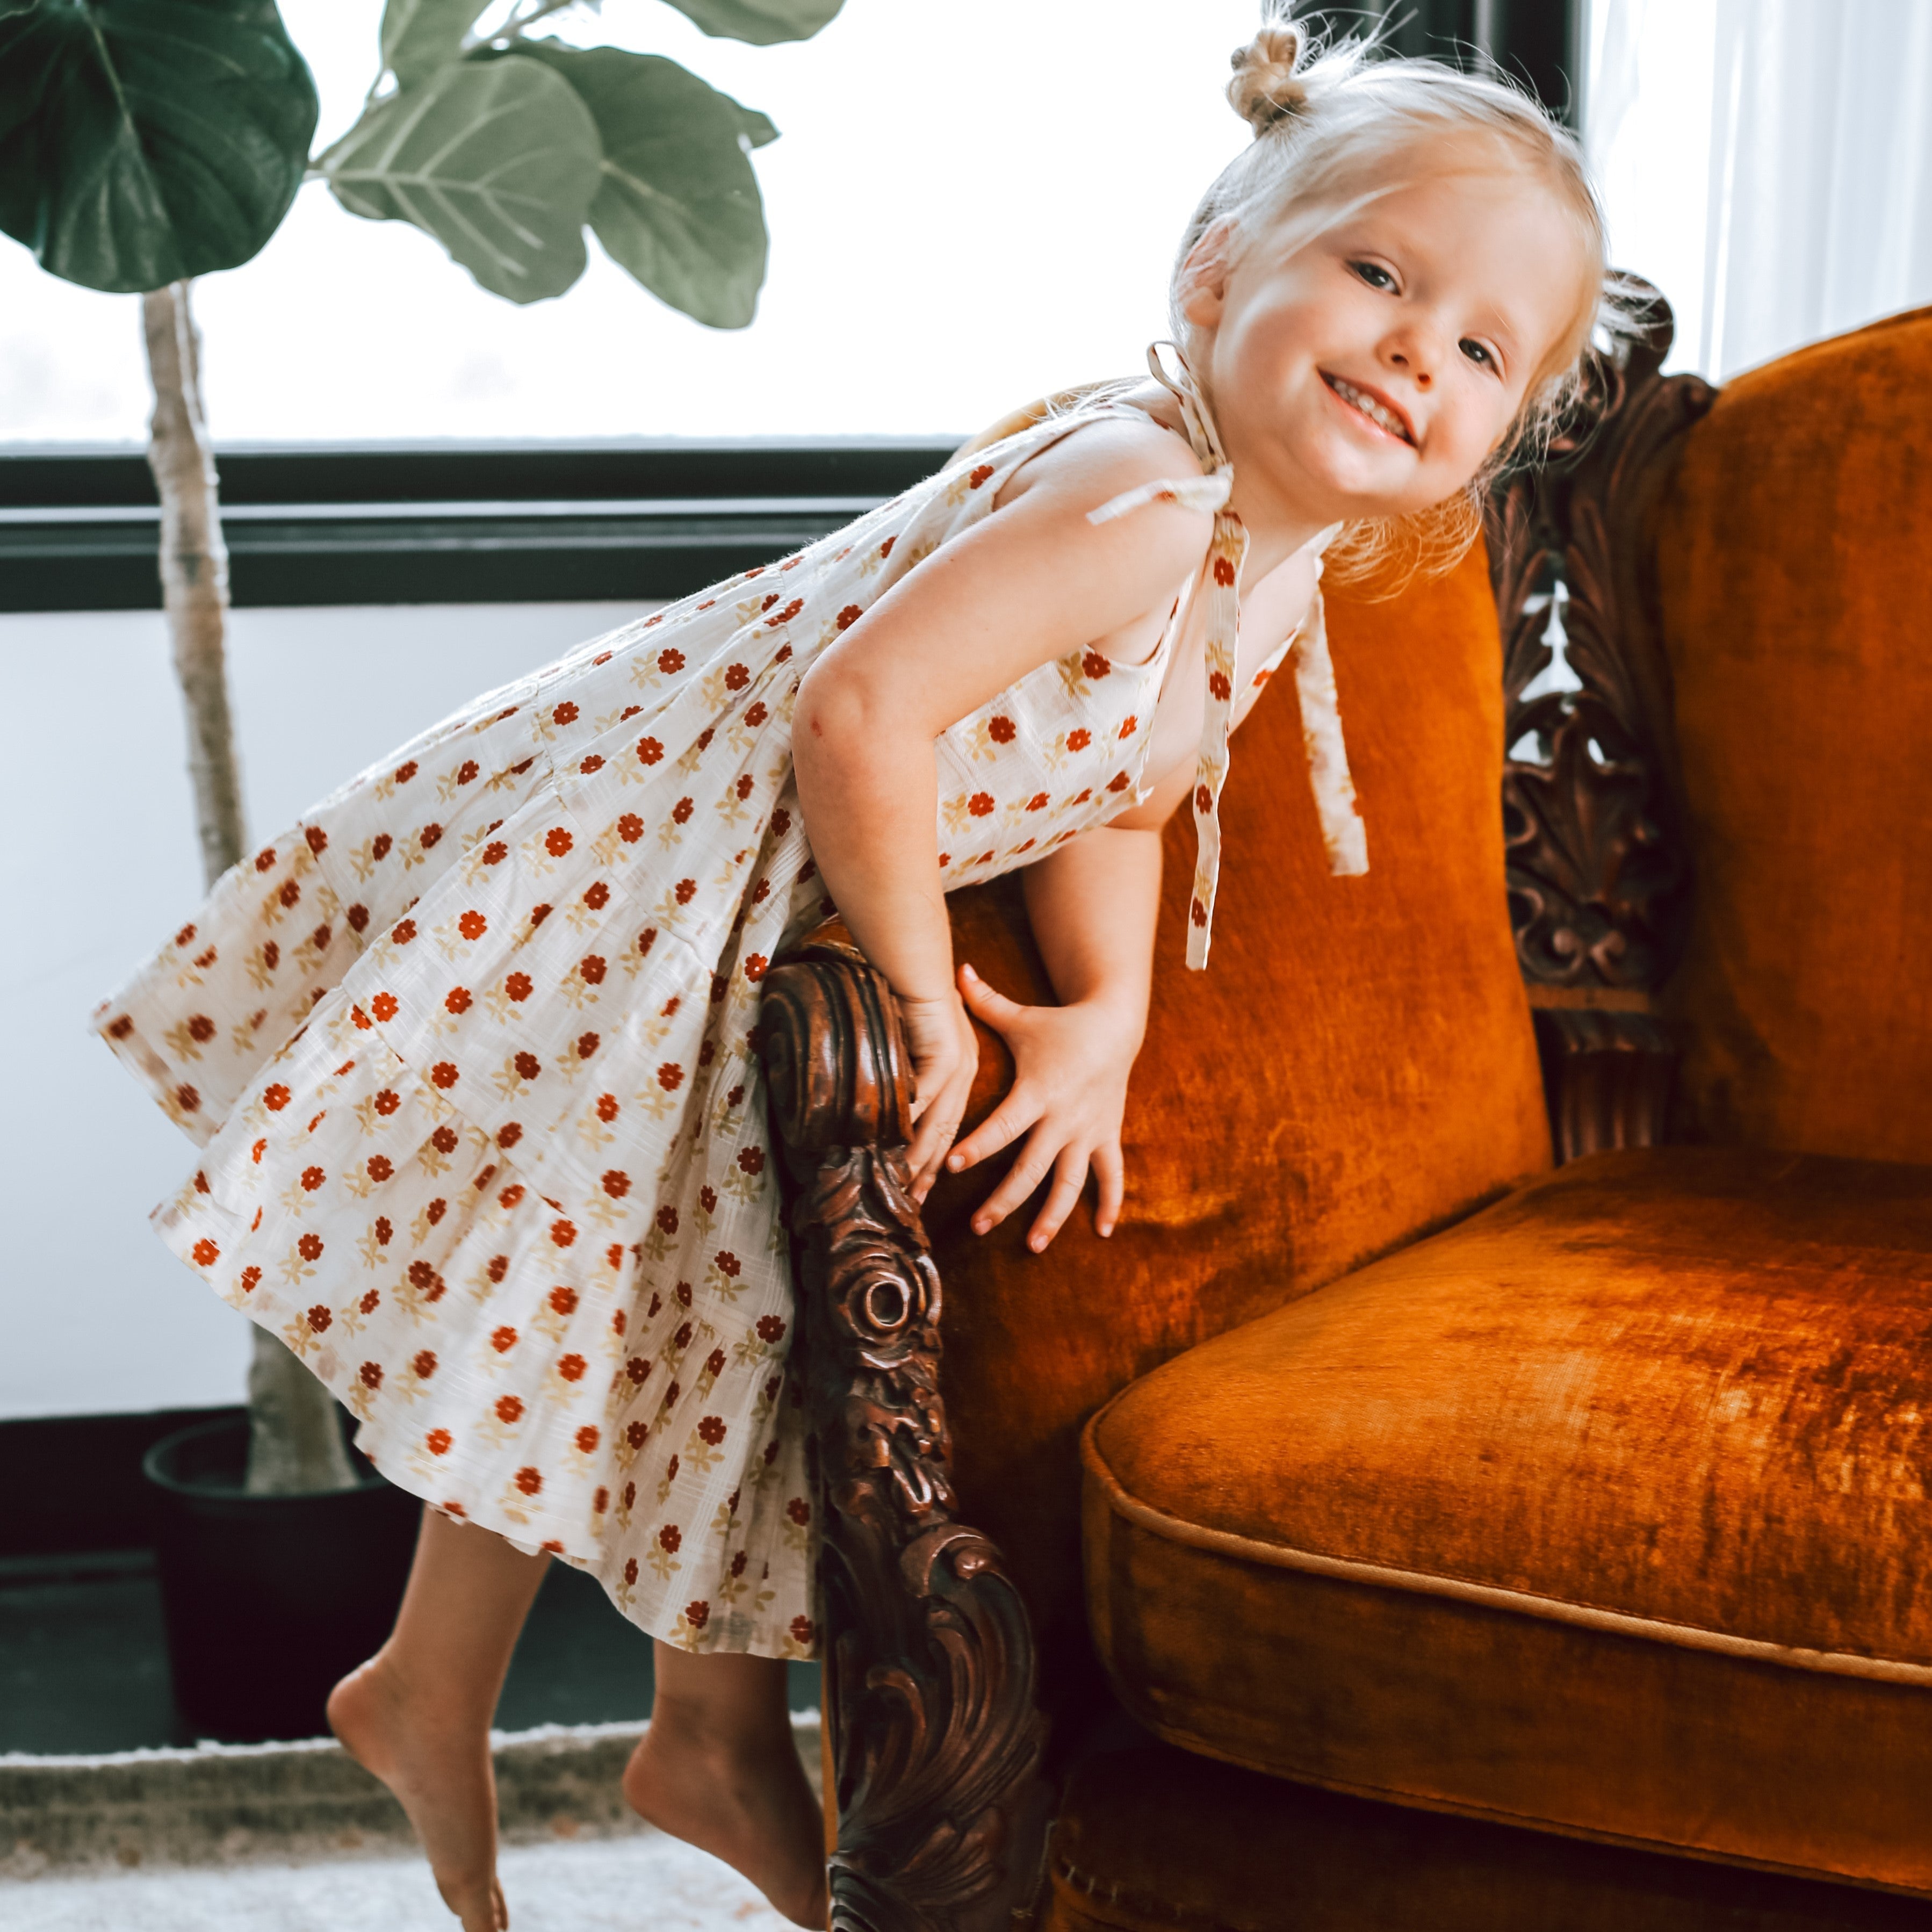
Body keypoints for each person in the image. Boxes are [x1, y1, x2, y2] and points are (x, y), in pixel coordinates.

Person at [94, 12, 1624, 1929]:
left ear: (1504, 429)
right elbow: (859, 710)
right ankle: (632, 1719)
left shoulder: (1257, 554)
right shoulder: (1145, 496)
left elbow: (1118, 786)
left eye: (1479, 349)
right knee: (595, 1284)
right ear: (1218, 272)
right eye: (1378, 275)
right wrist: (916, 996)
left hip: (752, 884)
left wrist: (1106, 1011)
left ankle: (492, 1692)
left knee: (624, 1303)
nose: (1415, 348)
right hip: (670, 862)